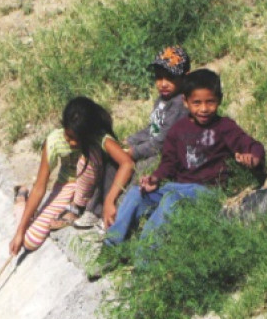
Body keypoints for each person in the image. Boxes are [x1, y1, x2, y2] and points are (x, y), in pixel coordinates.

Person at [104, 68, 266, 246]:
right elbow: (168, 163)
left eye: (210, 102)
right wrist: (155, 178)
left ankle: (146, 257)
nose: (204, 109)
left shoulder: (224, 127)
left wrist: (253, 158)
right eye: (197, 103)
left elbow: (251, 145)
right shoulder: (178, 130)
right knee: (136, 193)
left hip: (207, 190)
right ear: (186, 102)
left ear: (219, 100)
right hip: (178, 186)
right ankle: (112, 246)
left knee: (172, 200)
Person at [75, 45, 191, 229]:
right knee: (111, 161)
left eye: (170, 78)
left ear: (185, 77)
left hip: (163, 154)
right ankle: (97, 210)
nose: (163, 83)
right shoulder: (162, 100)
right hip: (151, 146)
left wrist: (134, 152)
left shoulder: (179, 105)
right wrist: (131, 140)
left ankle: (118, 217)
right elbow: (152, 129)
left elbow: (162, 142)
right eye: (158, 77)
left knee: (138, 173)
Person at [10, 97, 134, 255]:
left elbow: (127, 164)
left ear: (88, 134)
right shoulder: (54, 141)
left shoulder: (98, 138)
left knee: (88, 157)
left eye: (75, 139)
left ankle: (76, 209)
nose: (70, 142)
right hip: (67, 186)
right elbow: (40, 187)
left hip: (92, 187)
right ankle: (21, 199)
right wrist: (20, 231)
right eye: (67, 136)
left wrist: (110, 200)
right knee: (29, 240)